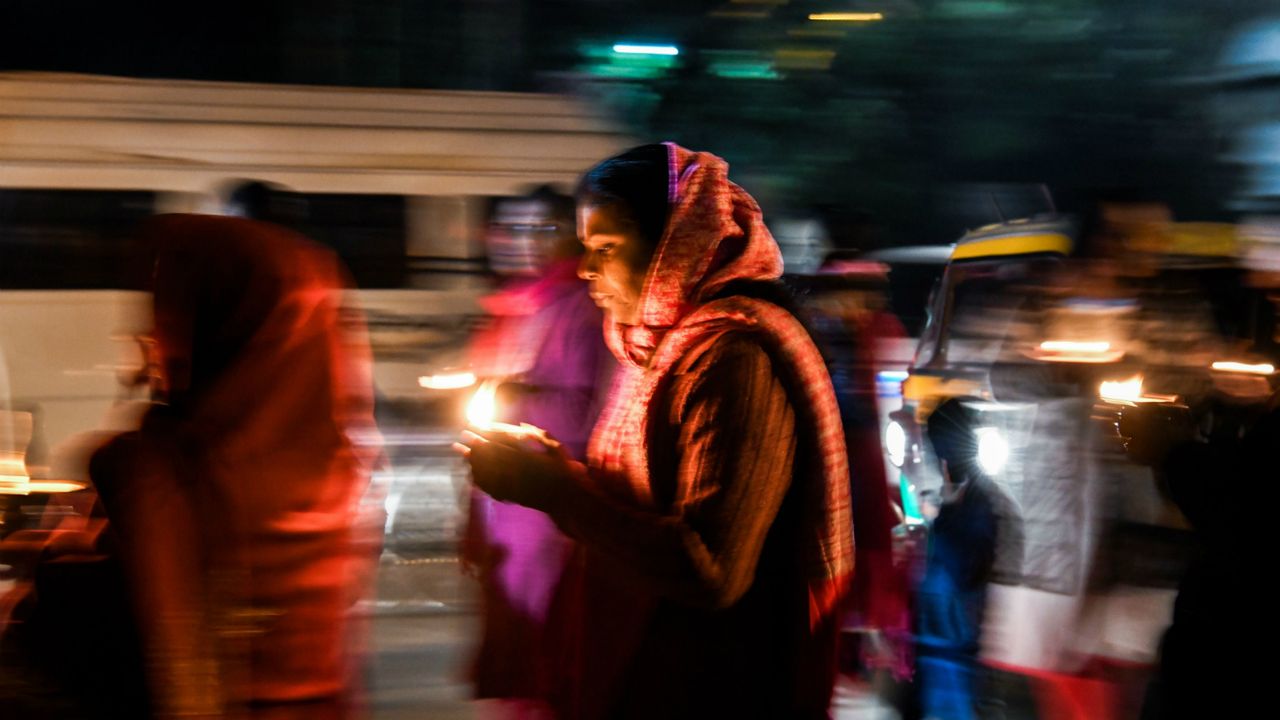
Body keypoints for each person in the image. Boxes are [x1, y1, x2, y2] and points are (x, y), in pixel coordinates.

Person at [458, 143, 854, 719]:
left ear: (675, 244)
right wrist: (555, 469)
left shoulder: (730, 356)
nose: (586, 270)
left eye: (606, 248)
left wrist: (552, 490)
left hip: (713, 683)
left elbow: (710, 568)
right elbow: (642, 498)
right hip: (651, 667)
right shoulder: (657, 347)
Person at [89, 214, 381, 718]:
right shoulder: (341, 461)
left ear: (222, 320)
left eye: (172, 316)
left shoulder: (163, 468)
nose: (154, 341)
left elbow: (172, 662)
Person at [461, 186, 613, 719]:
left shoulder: (583, 308)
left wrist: (507, 397)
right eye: (510, 228)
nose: (518, 242)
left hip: (547, 508)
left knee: (551, 653)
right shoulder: (512, 307)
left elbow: (585, 414)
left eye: (539, 229)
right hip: (506, 506)